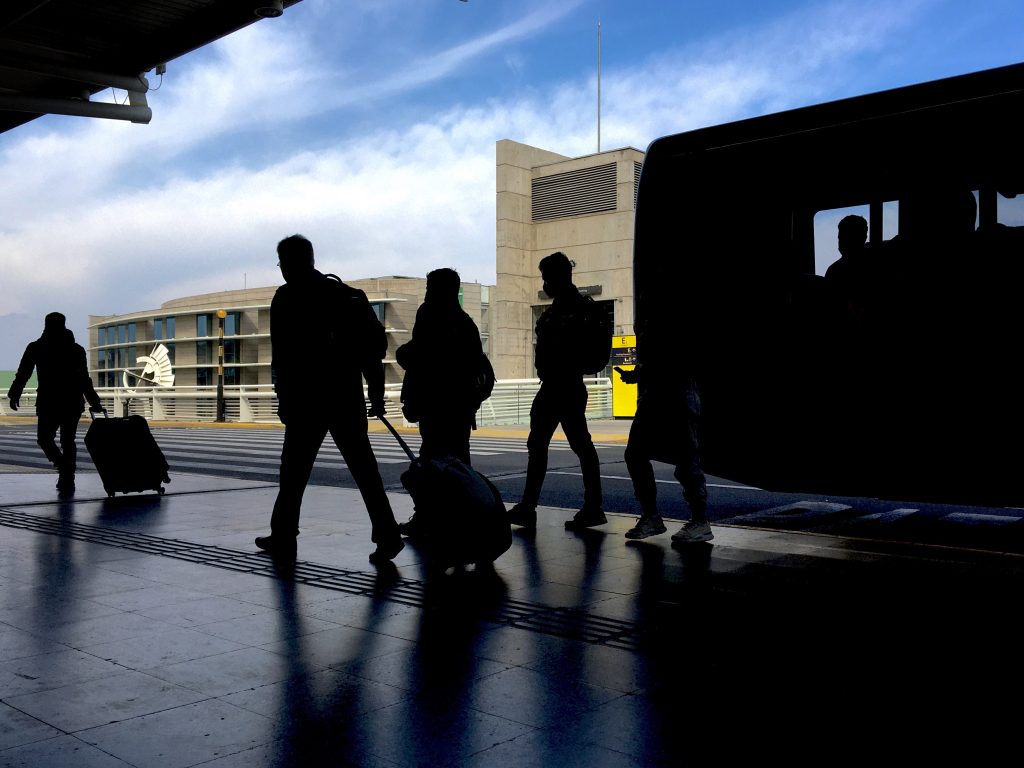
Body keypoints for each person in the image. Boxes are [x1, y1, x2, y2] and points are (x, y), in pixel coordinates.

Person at [255, 235, 403, 564]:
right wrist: (375, 395)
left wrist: (282, 397)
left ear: (289, 262)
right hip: (345, 395)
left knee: (293, 472)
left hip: (306, 400)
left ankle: (283, 534)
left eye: (281, 263)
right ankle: (388, 534)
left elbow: (282, 357)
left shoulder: (286, 298)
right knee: (365, 470)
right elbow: (372, 352)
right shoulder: (345, 295)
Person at [508, 251, 605, 530]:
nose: (545, 284)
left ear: (560, 277)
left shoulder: (581, 309)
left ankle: (592, 507)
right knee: (539, 445)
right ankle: (529, 506)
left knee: (579, 446)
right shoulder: (556, 310)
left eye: (547, 278)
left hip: (567, 386)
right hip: (551, 386)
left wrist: (570, 364)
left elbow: (596, 355)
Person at [395, 267, 486, 537]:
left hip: (435, 406)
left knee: (431, 464)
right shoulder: (466, 322)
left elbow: (421, 355)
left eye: (429, 287)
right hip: (460, 407)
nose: (426, 292)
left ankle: (429, 518)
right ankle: (463, 520)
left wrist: (403, 353)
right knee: (459, 464)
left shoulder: (430, 315)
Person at [618, 319, 712, 543]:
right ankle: (652, 516)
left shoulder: (676, 316)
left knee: (686, 459)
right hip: (656, 393)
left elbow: (678, 357)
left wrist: (642, 373)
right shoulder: (653, 316)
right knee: (636, 454)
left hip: (678, 392)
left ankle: (699, 520)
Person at [6, 312, 104, 496]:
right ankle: (67, 474)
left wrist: (14, 394)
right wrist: (94, 401)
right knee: (68, 441)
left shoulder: (36, 347)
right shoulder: (76, 350)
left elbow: (23, 373)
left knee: (44, 439)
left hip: (48, 402)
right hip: (72, 402)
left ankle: (64, 470)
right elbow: (84, 379)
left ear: (46, 325)